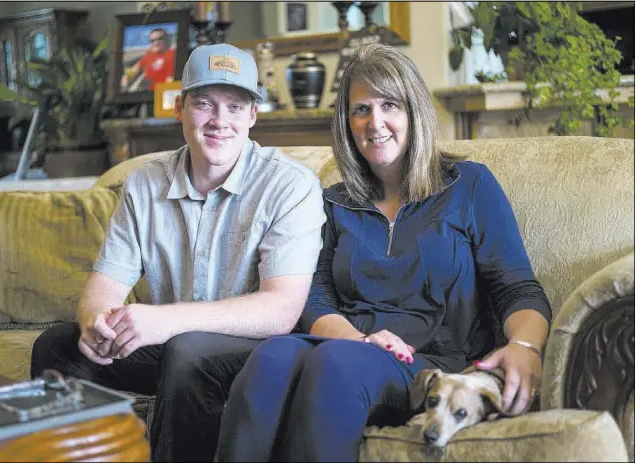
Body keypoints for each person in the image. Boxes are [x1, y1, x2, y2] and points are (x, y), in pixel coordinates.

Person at [215, 43, 552, 462]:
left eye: (389, 105)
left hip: (433, 364)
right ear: (346, 122)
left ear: (414, 112)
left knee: (336, 364)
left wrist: (526, 345)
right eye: (361, 110)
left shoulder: (469, 185)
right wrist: (360, 340)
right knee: (271, 356)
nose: (375, 123)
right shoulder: (332, 204)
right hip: (351, 343)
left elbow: (516, 286)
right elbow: (314, 297)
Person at [30, 43, 326, 461]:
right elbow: (103, 287)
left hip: (257, 353)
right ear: (179, 108)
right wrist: (97, 322)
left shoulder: (289, 185)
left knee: (187, 351)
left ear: (253, 115)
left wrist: (163, 322)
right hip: (172, 346)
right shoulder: (144, 184)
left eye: (235, 106)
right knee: (58, 346)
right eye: (204, 104)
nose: (220, 121)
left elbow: (281, 311)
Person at [121, 27, 176, 92]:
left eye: (160, 39)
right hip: (147, 92)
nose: (156, 42)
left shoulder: (172, 54)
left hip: (163, 93)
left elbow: (170, 80)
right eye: (152, 40)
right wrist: (127, 76)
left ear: (166, 39)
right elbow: (135, 69)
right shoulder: (148, 55)